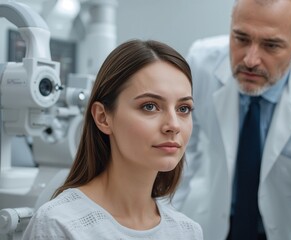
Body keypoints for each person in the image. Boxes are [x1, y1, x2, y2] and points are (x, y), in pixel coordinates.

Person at [173, 0, 291, 239]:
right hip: (218, 227)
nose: (250, 60)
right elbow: (177, 163)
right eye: (241, 38)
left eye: (270, 45)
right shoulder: (201, 64)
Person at [22, 39, 203, 240]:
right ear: (103, 117)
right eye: (150, 106)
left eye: (183, 109)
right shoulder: (59, 225)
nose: (174, 125)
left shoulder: (188, 231)